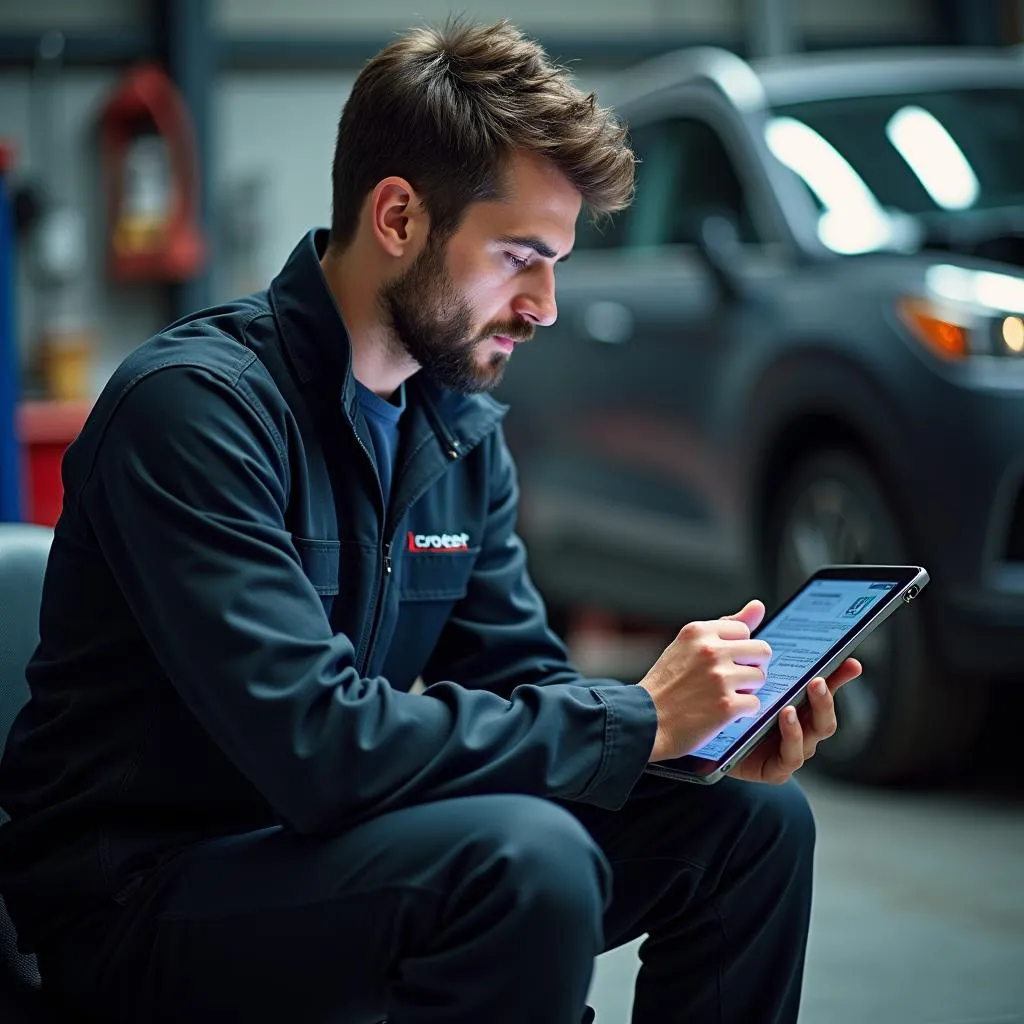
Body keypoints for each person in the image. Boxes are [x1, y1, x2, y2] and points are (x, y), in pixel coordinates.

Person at [0, 19, 861, 1024]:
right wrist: (634, 715)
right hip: (144, 902)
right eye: (518, 258)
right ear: (399, 217)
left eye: (557, 263)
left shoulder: (454, 429)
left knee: (751, 818)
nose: (544, 304)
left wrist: (686, 740)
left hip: (336, 846)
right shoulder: (193, 411)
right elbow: (316, 745)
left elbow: (519, 682)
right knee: (525, 863)